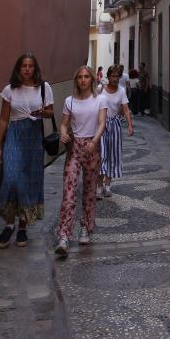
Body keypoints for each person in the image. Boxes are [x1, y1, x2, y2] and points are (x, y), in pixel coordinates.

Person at [0, 53, 54, 248]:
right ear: (18, 69)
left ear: (35, 69)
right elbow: (3, 119)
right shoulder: (9, 90)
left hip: (34, 136)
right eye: (23, 66)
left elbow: (51, 112)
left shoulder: (44, 88)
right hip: (14, 135)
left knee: (29, 181)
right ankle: (9, 224)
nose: (27, 69)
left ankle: (22, 227)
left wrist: (42, 113)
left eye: (30, 66)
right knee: (11, 178)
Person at [55, 66, 106, 257]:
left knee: (89, 191)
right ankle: (64, 236)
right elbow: (64, 124)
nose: (83, 80)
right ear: (76, 80)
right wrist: (62, 134)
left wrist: (94, 142)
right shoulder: (70, 101)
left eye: (86, 77)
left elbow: (102, 123)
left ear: (92, 79)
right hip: (75, 148)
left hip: (92, 147)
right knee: (69, 192)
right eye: (80, 77)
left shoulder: (100, 99)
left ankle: (85, 227)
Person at [97, 64, 133, 199]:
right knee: (101, 155)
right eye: (113, 76)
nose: (115, 78)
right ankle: (99, 187)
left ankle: (108, 186)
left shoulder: (122, 91)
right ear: (108, 76)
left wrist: (130, 126)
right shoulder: (100, 90)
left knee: (113, 155)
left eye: (117, 76)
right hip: (101, 125)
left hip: (115, 126)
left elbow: (125, 109)